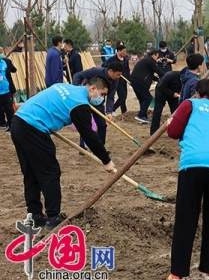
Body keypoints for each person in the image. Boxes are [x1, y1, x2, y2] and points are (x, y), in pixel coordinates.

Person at [11, 78, 115, 229]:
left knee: (32, 173)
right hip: (33, 128)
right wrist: (106, 160)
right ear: (92, 89)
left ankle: (35, 215)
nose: (102, 98)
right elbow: (89, 136)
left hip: (18, 121)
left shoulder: (66, 87)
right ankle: (53, 218)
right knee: (50, 172)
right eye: (102, 93)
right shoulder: (80, 104)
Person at [165, 77, 209, 280]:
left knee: (187, 217)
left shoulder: (190, 104)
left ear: (199, 92)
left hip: (194, 163)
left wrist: (170, 122)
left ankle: (178, 275)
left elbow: (173, 132)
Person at [72, 61, 123, 145]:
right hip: (86, 100)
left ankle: (101, 147)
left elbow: (111, 96)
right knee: (86, 124)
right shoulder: (95, 71)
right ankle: (82, 145)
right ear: (110, 71)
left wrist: (109, 112)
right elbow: (77, 75)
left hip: (98, 102)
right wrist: (77, 91)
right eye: (118, 74)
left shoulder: (115, 80)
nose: (119, 77)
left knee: (102, 125)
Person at [131, 49, 163, 123]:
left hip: (135, 82)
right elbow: (157, 71)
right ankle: (141, 115)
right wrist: (166, 76)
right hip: (140, 82)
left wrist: (157, 79)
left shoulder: (146, 60)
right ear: (153, 55)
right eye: (157, 56)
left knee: (143, 99)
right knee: (148, 98)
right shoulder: (150, 61)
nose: (157, 59)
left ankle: (143, 116)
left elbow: (150, 74)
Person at [150, 70, 181, 135]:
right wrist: (172, 94)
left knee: (176, 112)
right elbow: (161, 86)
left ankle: (175, 131)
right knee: (157, 111)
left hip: (173, 94)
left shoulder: (187, 79)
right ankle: (154, 132)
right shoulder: (170, 75)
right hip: (161, 92)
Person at [106, 44, 130, 114]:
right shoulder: (112, 59)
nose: (125, 53)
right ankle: (113, 109)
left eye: (126, 51)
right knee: (122, 97)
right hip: (115, 80)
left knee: (124, 96)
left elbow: (127, 69)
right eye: (124, 51)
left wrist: (129, 78)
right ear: (119, 51)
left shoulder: (125, 59)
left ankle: (124, 111)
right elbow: (105, 66)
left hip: (124, 80)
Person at [0, 51, 17, 132]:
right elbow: (13, 70)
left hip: (5, 89)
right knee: (8, 108)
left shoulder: (4, 62)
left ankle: (6, 123)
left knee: (8, 108)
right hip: (6, 89)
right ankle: (7, 123)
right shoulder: (6, 61)